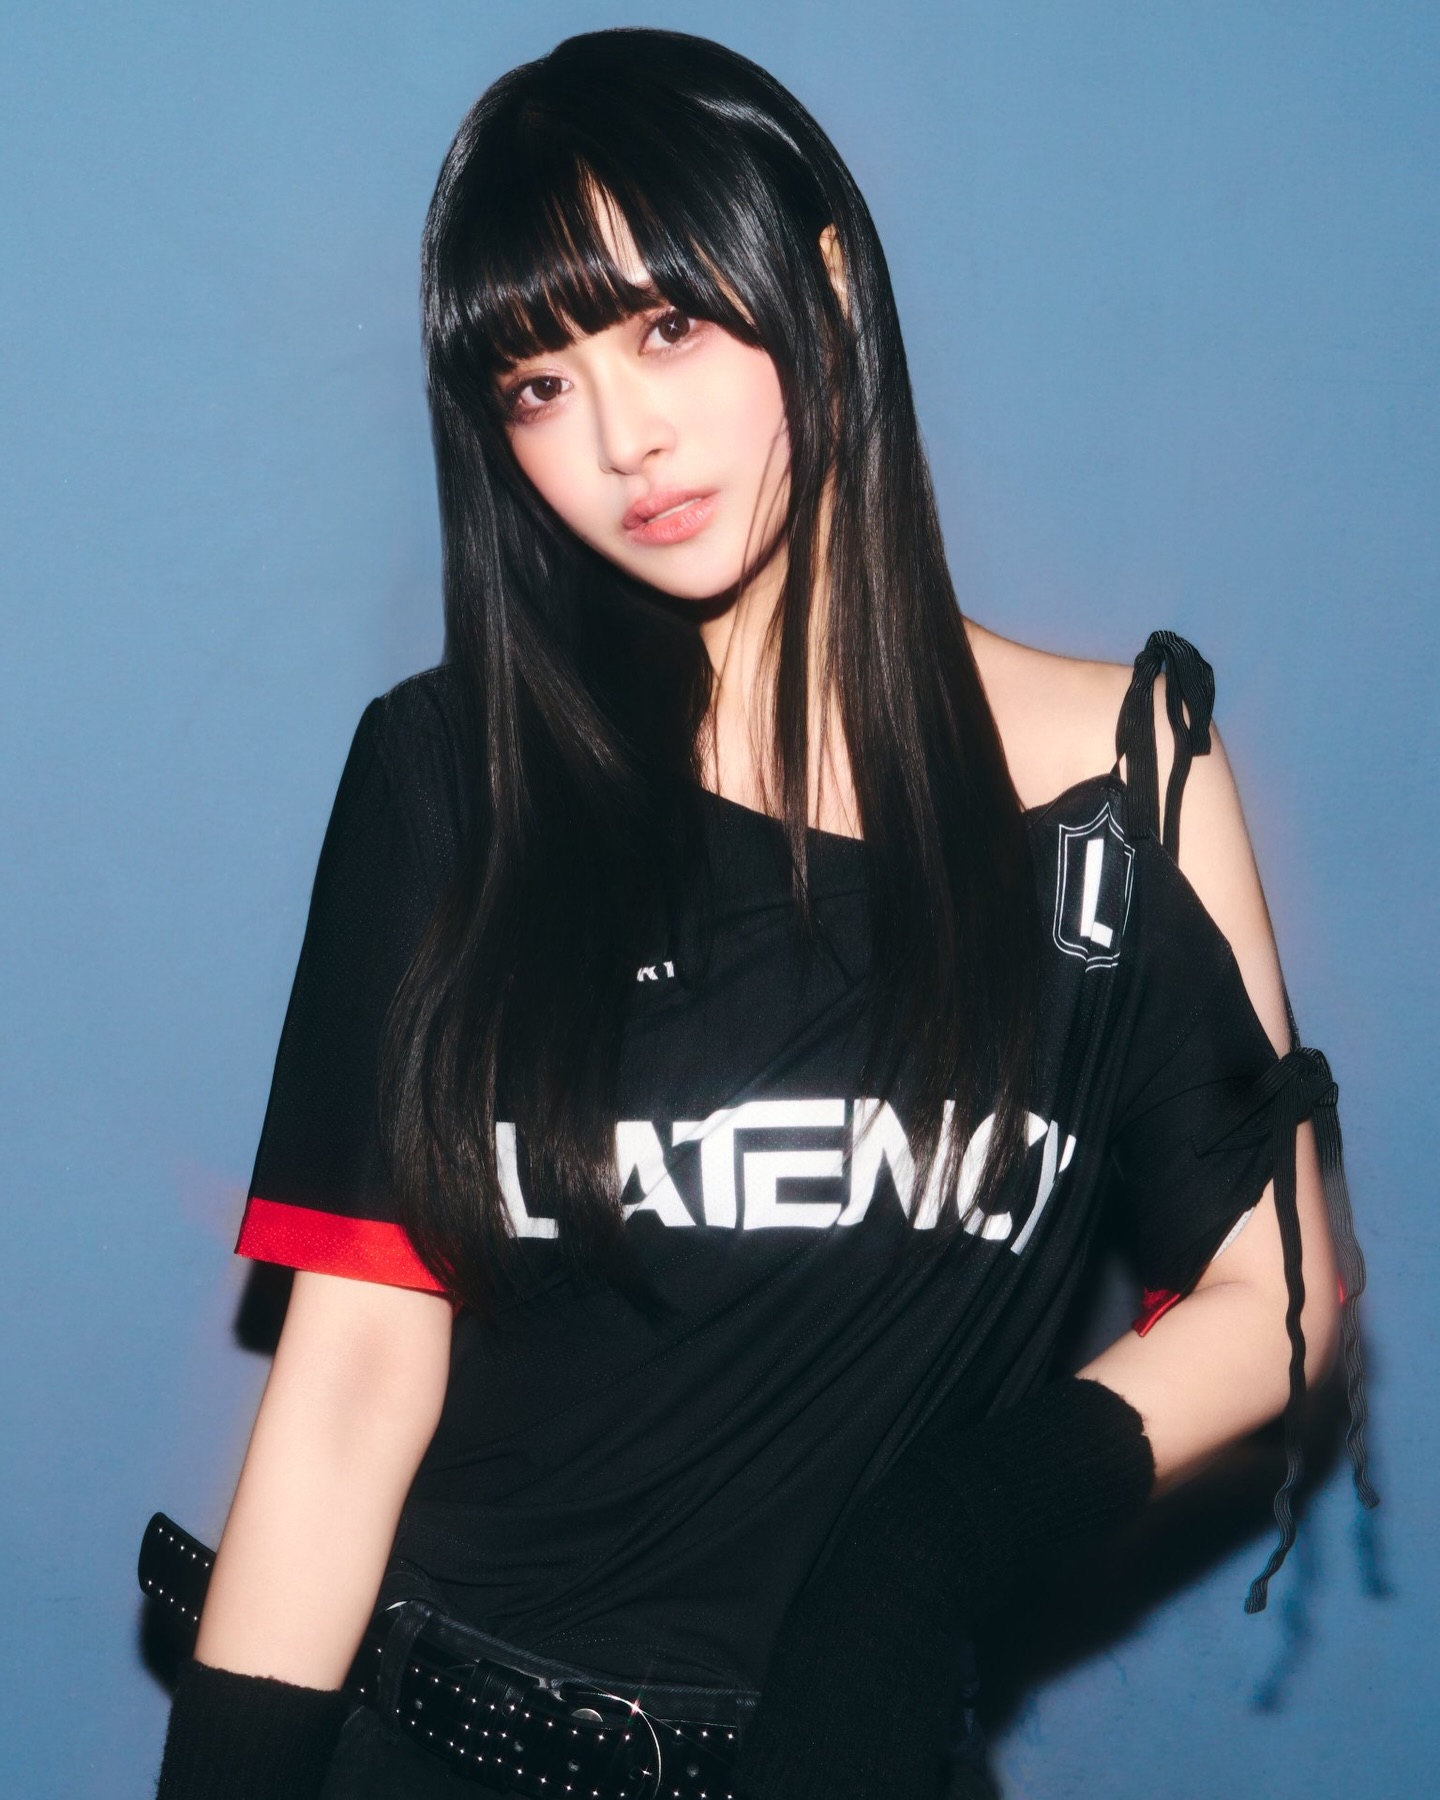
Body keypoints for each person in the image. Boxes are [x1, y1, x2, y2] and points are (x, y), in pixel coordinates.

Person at [152, 27, 1376, 1800]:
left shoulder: (1129, 774)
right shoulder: (452, 776)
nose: (621, 438)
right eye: (537, 384)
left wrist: (937, 1544)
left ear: (826, 290)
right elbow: (351, 1385)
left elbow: (1281, 1285)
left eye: (667, 327)